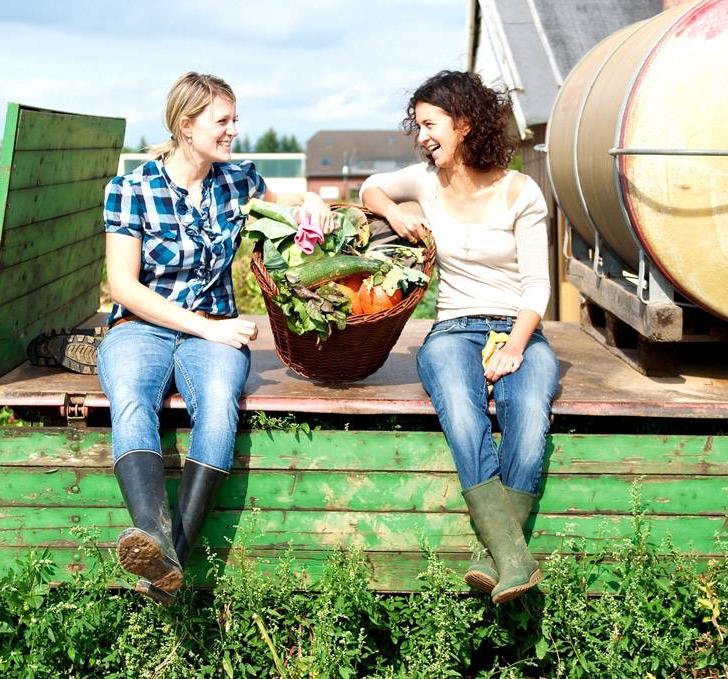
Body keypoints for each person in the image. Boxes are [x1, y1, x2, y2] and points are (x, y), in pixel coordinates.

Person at [98, 71, 333, 603]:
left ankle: (162, 558)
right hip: (143, 326)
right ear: (186, 126)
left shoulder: (239, 180)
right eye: (221, 121)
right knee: (132, 400)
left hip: (214, 335)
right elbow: (123, 285)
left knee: (221, 407)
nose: (233, 130)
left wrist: (313, 201)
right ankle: (157, 542)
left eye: (234, 119)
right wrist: (206, 326)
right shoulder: (132, 189)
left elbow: (289, 204)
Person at [360, 70, 559, 604]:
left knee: (531, 411)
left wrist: (516, 346)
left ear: (465, 123)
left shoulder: (521, 191)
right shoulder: (427, 182)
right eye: (417, 125)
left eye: (431, 124)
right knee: (463, 410)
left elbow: (537, 284)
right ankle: (514, 556)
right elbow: (369, 188)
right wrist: (393, 210)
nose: (422, 135)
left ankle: (492, 555)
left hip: (518, 329)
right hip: (452, 329)